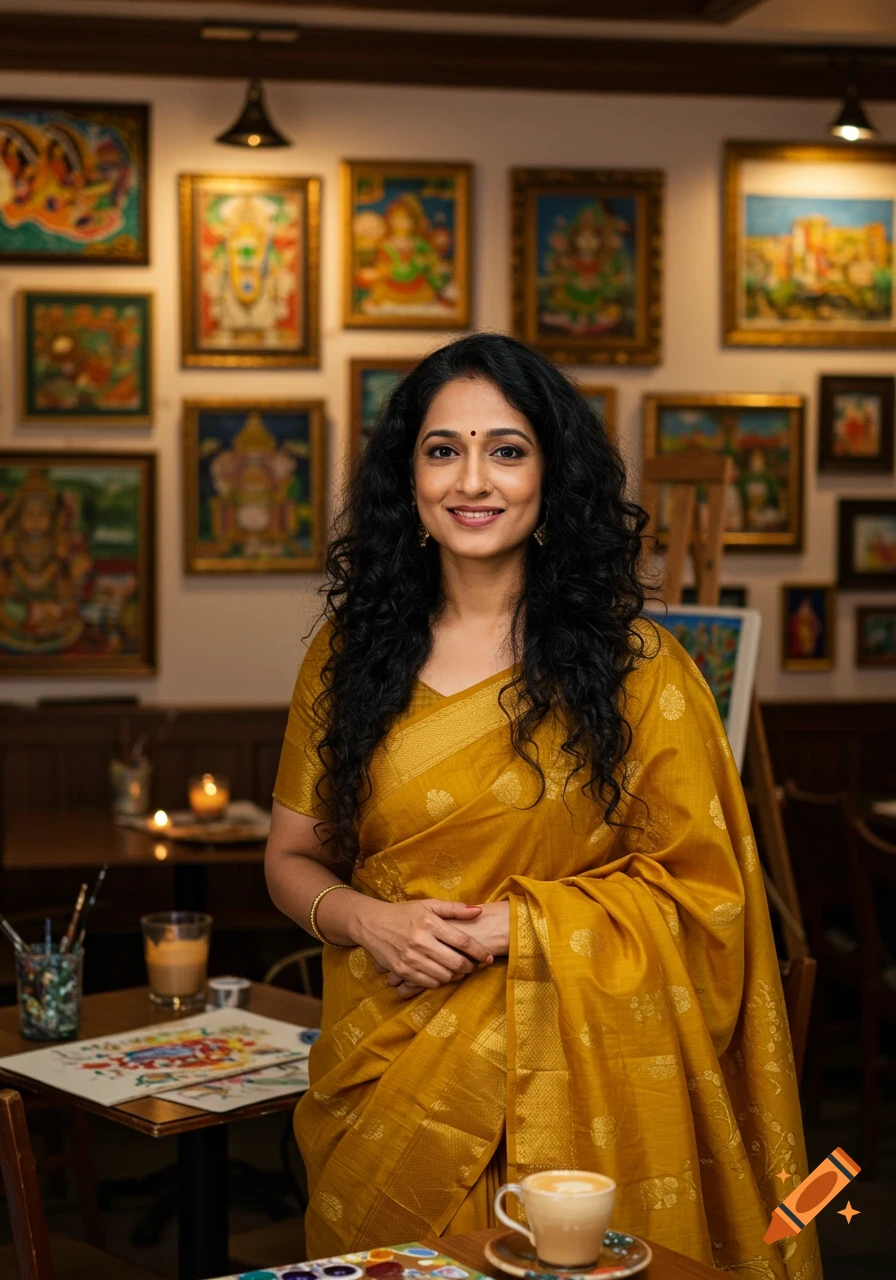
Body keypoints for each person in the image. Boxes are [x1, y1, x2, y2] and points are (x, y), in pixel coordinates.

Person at [265, 333, 820, 1279]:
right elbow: (289, 859)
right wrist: (371, 921)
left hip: (573, 1083)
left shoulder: (641, 672)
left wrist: (510, 930)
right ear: (408, 479)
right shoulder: (348, 659)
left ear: (550, 475)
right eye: (443, 449)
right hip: (384, 1067)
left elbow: (710, 897)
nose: (471, 479)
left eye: (507, 449)